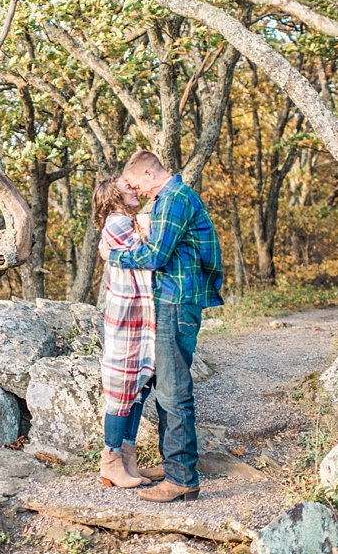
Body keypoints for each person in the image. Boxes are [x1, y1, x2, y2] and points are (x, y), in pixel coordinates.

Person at [98, 150, 223, 503]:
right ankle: (174, 468)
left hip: (176, 302)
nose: (140, 192)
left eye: (139, 184)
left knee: (173, 391)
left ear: (150, 174)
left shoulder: (175, 199)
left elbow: (154, 256)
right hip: (171, 301)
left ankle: (182, 477)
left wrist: (113, 256)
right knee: (167, 386)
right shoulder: (171, 199)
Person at [92, 177, 155, 489]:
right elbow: (149, 251)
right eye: (127, 188)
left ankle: (128, 459)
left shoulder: (125, 222)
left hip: (139, 318)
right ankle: (111, 462)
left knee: (139, 386)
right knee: (120, 390)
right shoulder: (116, 222)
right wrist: (146, 220)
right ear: (113, 196)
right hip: (126, 319)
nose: (134, 190)